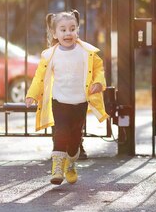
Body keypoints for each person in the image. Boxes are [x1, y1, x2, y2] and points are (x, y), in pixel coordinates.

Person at [25, 10, 108, 185]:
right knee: (61, 133)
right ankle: (57, 168)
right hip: (59, 101)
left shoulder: (86, 52)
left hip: (80, 102)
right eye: (63, 30)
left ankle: (70, 163)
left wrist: (99, 83)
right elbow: (39, 77)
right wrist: (32, 94)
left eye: (72, 29)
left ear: (77, 30)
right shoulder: (50, 55)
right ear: (55, 34)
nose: (68, 33)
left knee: (75, 137)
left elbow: (99, 69)